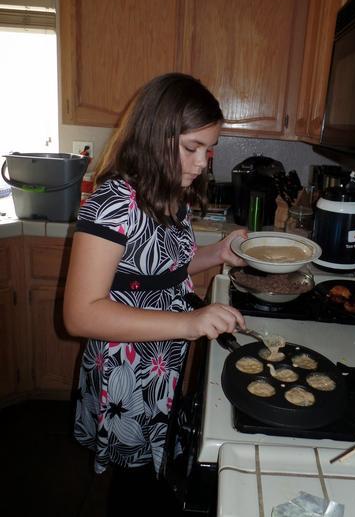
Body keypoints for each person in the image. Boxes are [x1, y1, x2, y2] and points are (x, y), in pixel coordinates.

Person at [63, 73, 246, 513]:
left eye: (209, 149)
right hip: (126, 376)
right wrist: (189, 323)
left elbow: (162, 269)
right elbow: (80, 315)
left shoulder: (170, 194)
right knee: (132, 493)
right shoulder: (112, 203)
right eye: (192, 148)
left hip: (162, 363)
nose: (202, 162)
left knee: (154, 478)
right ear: (156, 134)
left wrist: (219, 252)